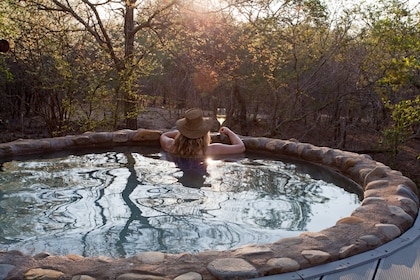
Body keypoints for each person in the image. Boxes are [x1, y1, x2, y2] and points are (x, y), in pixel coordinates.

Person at [160, 108, 245, 157]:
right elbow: (240, 147)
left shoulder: (171, 146)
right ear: (204, 132)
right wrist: (228, 131)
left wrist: (182, 132)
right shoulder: (210, 150)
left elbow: (164, 135)